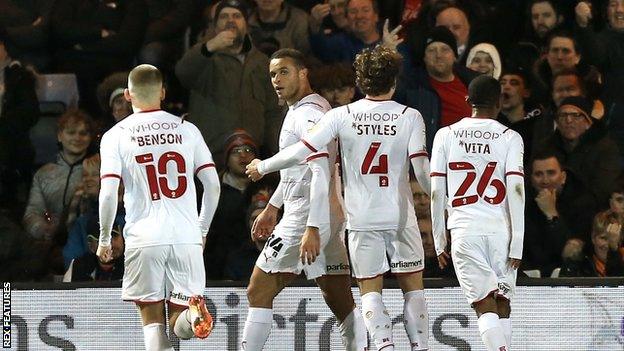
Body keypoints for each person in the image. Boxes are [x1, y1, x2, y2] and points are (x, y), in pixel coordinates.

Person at [247, 45, 431, 351]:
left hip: (357, 218)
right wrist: (443, 203)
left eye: (283, 71)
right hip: (400, 215)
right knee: (410, 290)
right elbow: (422, 171)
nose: (276, 79)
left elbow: (306, 153)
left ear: (359, 83)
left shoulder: (340, 115)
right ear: (394, 82)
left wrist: (263, 166)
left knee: (369, 291)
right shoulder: (411, 115)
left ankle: (384, 346)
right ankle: (420, 347)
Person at [241, 48, 367, 351]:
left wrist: (312, 227)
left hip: (307, 217)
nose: (276, 79)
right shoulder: (312, 108)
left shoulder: (308, 114)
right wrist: (273, 206)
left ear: (303, 73)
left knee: (258, 291)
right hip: (328, 214)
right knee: (339, 300)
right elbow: (299, 171)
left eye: (284, 71)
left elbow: (320, 169)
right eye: (272, 73)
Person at [97, 64, 221, 350]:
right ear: (163, 93)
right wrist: (201, 229)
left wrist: (104, 239)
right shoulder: (188, 130)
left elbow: (108, 193)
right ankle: (192, 318)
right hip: (185, 235)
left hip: (144, 236)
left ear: (128, 95)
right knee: (177, 322)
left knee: (152, 320)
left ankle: (189, 319)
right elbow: (212, 185)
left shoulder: (116, 135)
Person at [430, 75, 525, 351]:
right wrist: (517, 240)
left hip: (465, 230)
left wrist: (439, 239)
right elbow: (517, 190)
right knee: (503, 303)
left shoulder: (445, 135)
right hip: (501, 231)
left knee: (484, 304)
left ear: (467, 100)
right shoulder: (510, 137)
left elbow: (438, 191)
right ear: (499, 102)